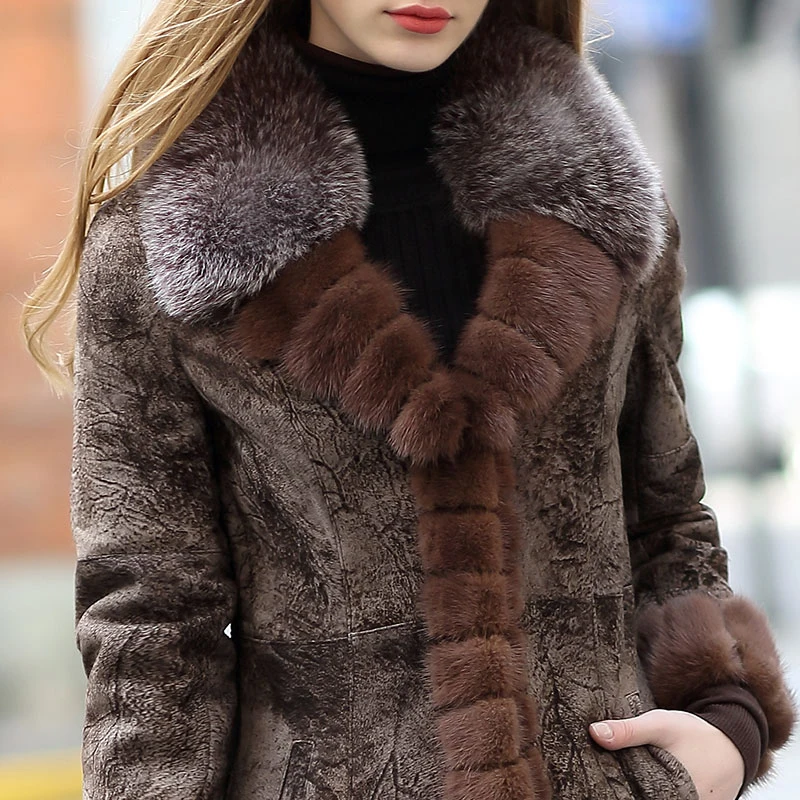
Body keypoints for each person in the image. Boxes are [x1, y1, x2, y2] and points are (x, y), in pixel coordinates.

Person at [21, 1, 796, 799]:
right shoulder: (162, 247)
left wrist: (729, 722)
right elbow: (151, 613)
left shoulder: (605, 203)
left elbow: (668, 517)